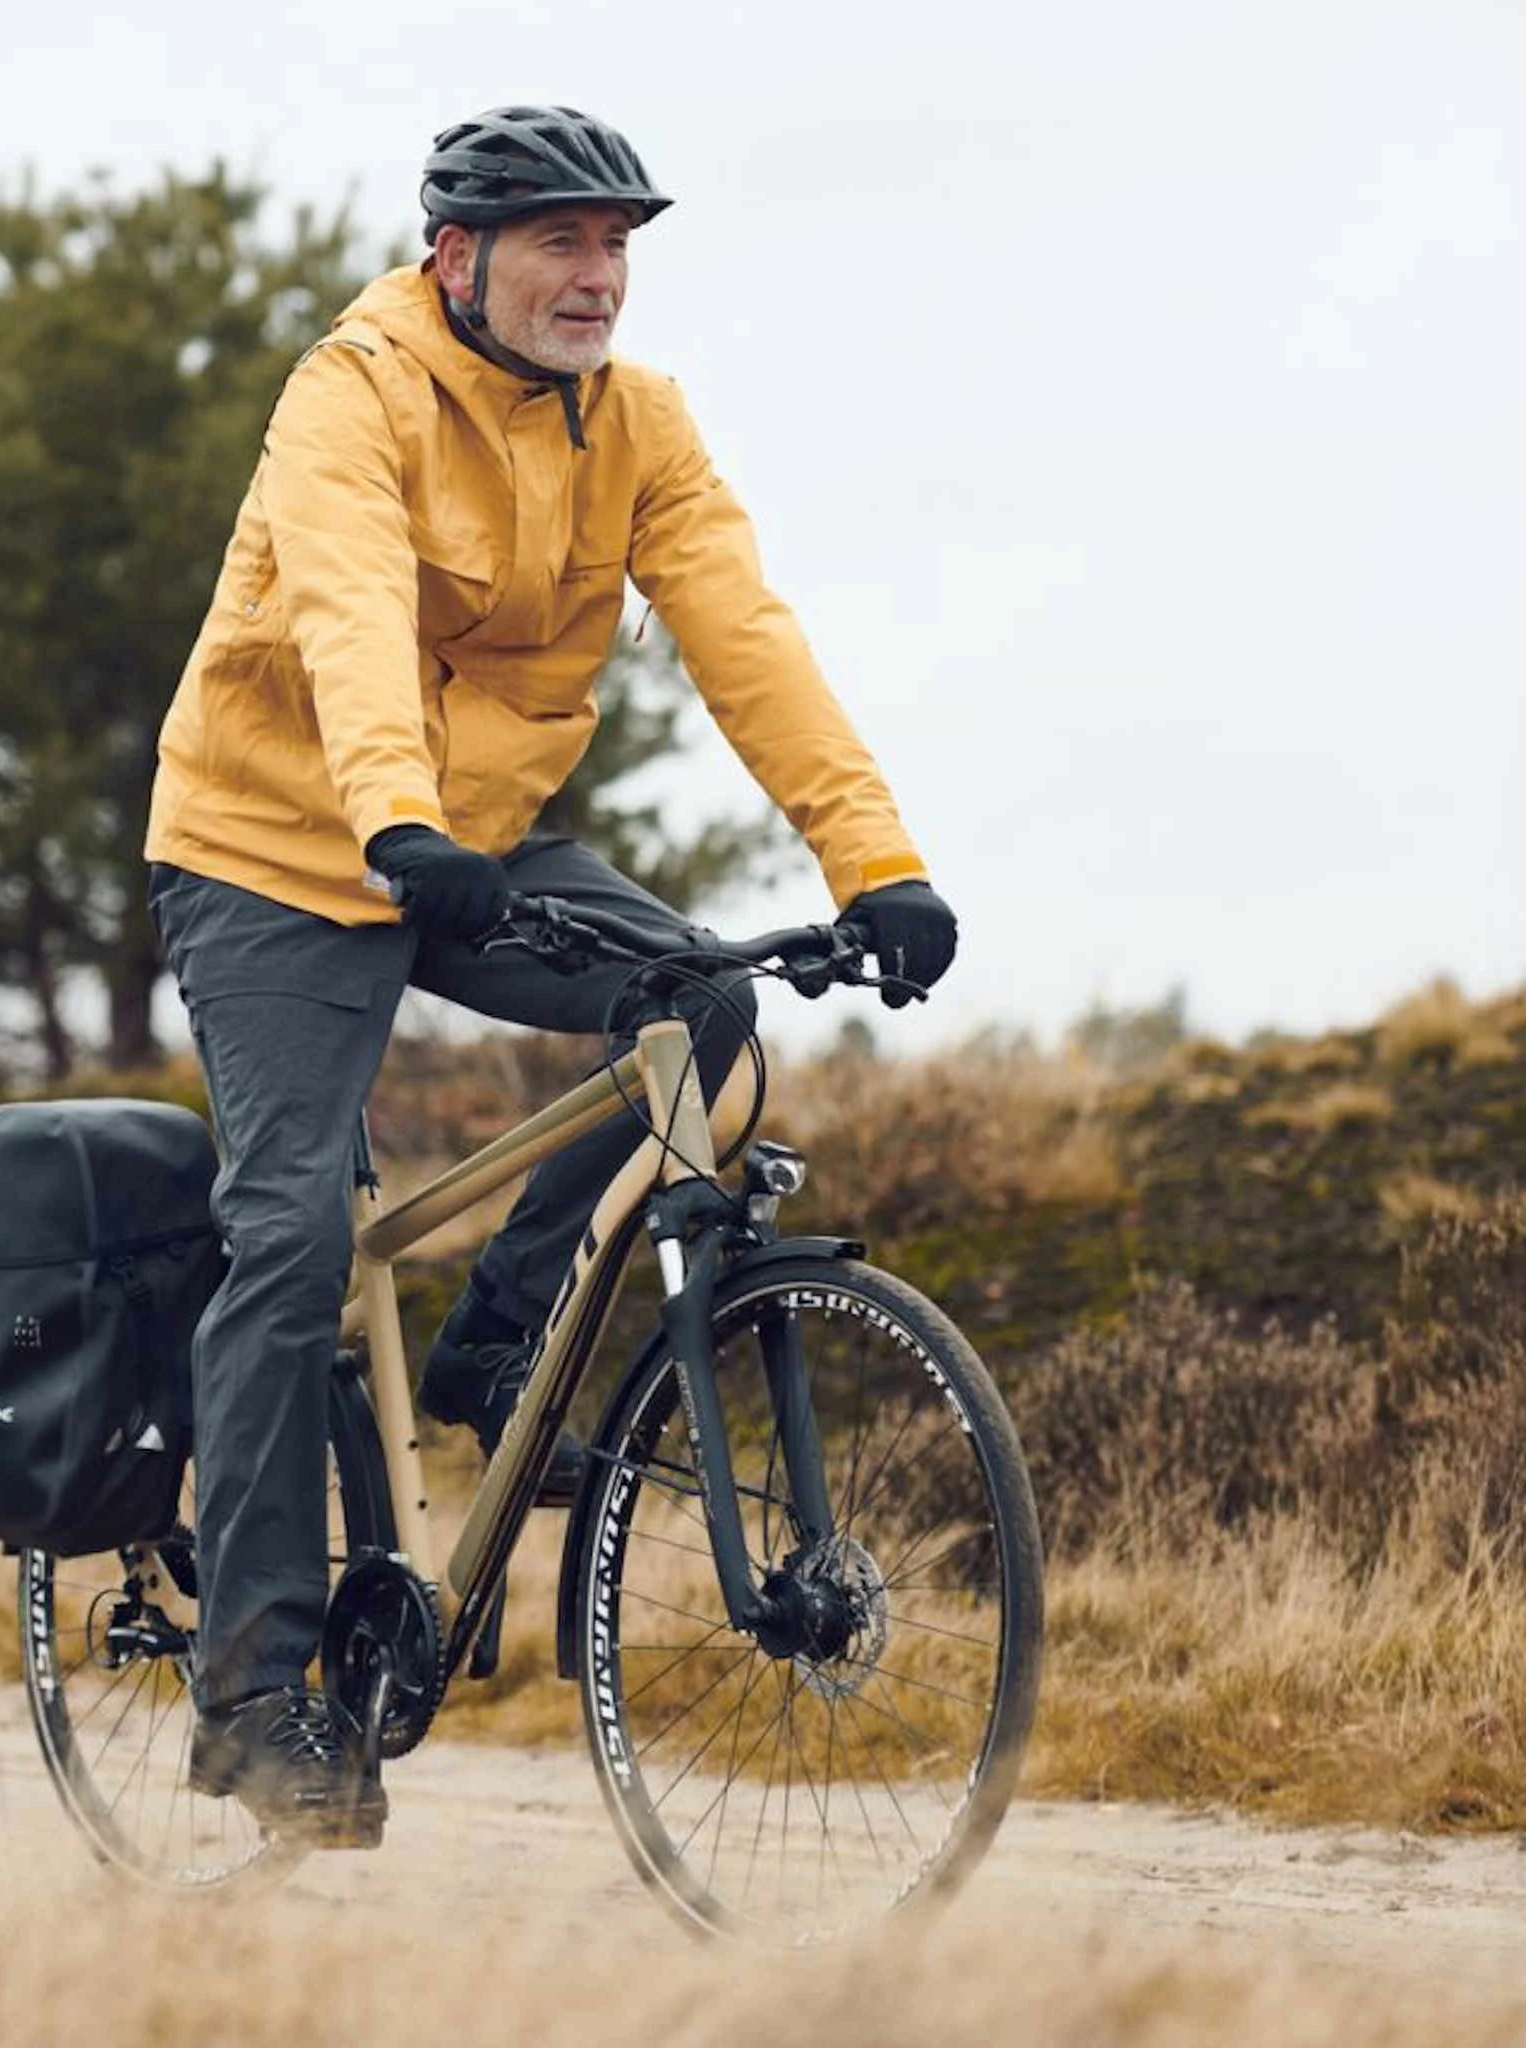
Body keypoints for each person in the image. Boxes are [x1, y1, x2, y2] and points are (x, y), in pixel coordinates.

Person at [143, 104, 957, 1843]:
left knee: (709, 1017)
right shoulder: (346, 394)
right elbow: (351, 611)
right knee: (287, 1228)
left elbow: (748, 635)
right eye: (561, 247)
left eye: (617, 249)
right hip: (279, 853)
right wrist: (390, 817)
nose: (598, 280)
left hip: (473, 840)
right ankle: (253, 1695)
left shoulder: (638, 426)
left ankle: (496, 1355)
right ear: (460, 260)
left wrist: (872, 859)